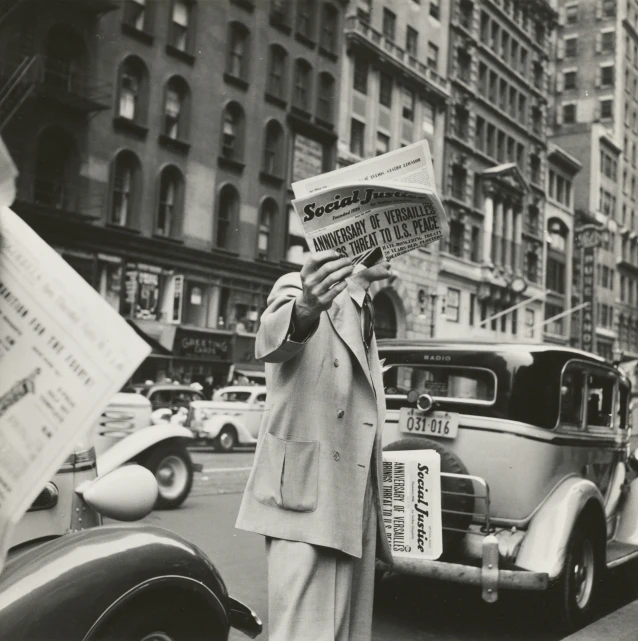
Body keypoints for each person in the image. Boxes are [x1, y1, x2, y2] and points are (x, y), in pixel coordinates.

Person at [235, 250, 393, 641]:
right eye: (386, 242)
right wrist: (306, 305)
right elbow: (271, 341)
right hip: (307, 498)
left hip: (351, 502)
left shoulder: (364, 306)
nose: (395, 255)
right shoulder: (300, 286)